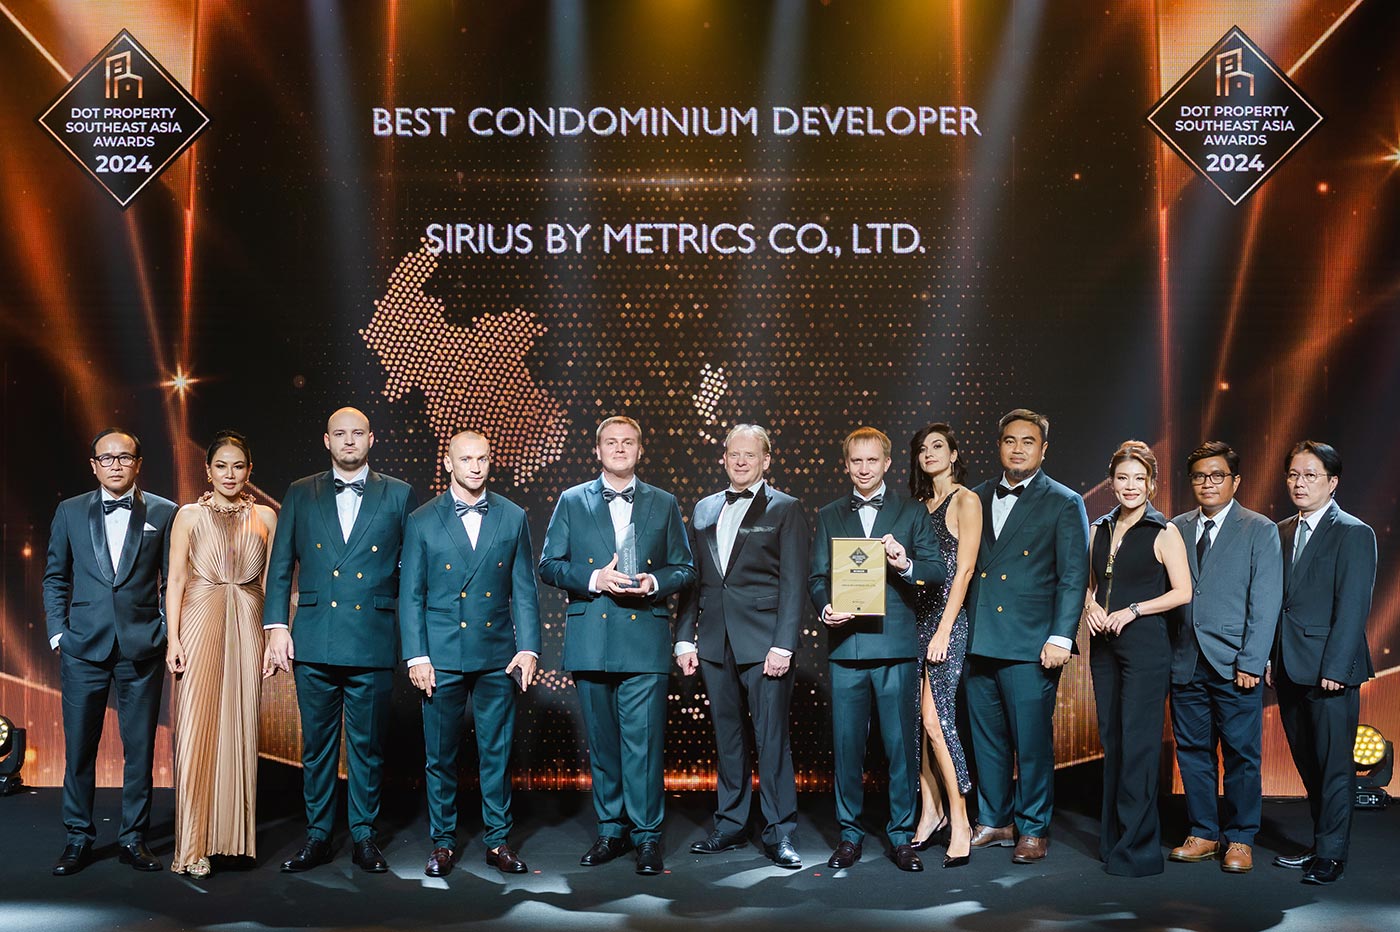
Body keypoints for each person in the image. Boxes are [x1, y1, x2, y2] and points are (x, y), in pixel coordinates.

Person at [262, 407, 418, 873]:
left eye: (357, 433)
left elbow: (413, 573)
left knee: (367, 747)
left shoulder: (399, 494)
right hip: (314, 637)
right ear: (326, 440)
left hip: (372, 636)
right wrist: (276, 627)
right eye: (339, 434)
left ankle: (364, 836)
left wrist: (414, 643)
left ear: (371, 439)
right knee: (317, 747)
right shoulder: (300, 491)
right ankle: (317, 836)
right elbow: (280, 566)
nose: (349, 441)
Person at [538, 416, 696, 876]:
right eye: (611, 442)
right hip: (592, 640)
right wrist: (594, 578)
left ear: (640, 450)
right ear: (598, 450)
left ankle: (647, 837)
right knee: (604, 745)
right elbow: (548, 565)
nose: (620, 448)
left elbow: (685, 569)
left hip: (644, 639)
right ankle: (611, 831)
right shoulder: (572, 500)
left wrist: (653, 582)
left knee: (643, 746)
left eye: (628, 442)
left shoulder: (664, 502)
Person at [399, 430, 541, 878]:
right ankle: (443, 843)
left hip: (497, 653)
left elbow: (524, 589)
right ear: (448, 463)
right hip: (440, 656)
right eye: (466, 459)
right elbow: (411, 595)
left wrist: (529, 648)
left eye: (482, 459)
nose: (476, 467)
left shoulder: (513, 515)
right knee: (440, 755)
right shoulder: (422, 519)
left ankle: (498, 841)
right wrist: (416, 655)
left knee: (496, 752)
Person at [809, 426, 946, 873]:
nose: (864, 468)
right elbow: (817, 577)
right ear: (846, 465)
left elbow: (935, 571)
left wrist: (904, 562)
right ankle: (849, 835)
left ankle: (901, 836)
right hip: (847, 647)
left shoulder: (911, 511)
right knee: (847, 747)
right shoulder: (829, 514)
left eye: (873, 460)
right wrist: (825, 606)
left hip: (895, 646)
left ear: (887, 463)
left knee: (900, 748)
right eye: (857, 461)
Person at [44, 429, 178, 876]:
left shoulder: (165, 511)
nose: (116, 465)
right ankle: (78, 838)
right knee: (79, 749)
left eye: (124, 457)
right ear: (94, 465)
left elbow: (173, 581)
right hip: (82, 647)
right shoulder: (69, 511)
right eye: (107, 458)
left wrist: (164, 630)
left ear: (138, 463)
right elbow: (55, 577)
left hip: (142, 647)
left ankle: (133, 838)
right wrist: (58, 634)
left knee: (139, 750)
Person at [676, 424, 810, 869]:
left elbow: (794, 582)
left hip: (764, 643)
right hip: (715, 642)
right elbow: (694, 580)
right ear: (723, 458)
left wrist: (784, 645)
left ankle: (779, 832)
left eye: (750, 455)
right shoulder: (704, 508)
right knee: (728, 738)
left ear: (766, 460)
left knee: (771, 740)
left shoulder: (785, 508)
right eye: (734, 454)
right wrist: (684, 636)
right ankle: (731, 824)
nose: (740, 461)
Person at [965, 408, 1089, 865]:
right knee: (987, 740)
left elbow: (1073, 576)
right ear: (999, 445)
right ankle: (995, 820)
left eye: (1028, 441)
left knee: (1032, 744)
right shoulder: (975, 496)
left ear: (1044, 449)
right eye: (1010, 441)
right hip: (978, 638)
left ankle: (1033, 826)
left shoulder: (1064, 501)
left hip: (1031, 643)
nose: (1018, 449)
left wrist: (1061, 637)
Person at [165, 431, 277, 877]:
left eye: (238, 466)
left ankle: (229, 840)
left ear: (250, 470)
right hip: (198, 621)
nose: (230, 474)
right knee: (197, 729)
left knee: (240, 726)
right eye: (221, 466)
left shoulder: (266, 516)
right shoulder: (188, 515)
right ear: (207, 470)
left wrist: (272, 638)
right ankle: (193, 846)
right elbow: (176, 580)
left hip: (248, 623)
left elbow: (271, 583)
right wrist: (173, 639)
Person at [1166, 441, 1282, 874]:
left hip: (1235, 664)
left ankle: (1241, 837)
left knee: (1241, 755)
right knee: (1192, 751)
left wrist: (1252, 661)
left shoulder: (1259, 529)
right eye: (1199, 476)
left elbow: (1265, 602)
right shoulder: (1175, 528)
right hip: (1185, 661)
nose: (1208, 483)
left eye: (1217, 475)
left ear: (1236, 481)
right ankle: (1203, 833)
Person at [1268, 441, 1376, 886]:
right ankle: (1319, 843)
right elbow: (1277, 603)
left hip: (1330, 670)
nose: (1299, 483)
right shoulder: (1281, 531)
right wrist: (1270, 657)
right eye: (1294, 474)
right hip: (1288, 665)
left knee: (1334, 766)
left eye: (1310, 475)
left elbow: (1353, 607)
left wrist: (1335, 668)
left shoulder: (1353, 532)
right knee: (1308, 763)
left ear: (1332, 482)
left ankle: (1332, 855)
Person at [1082, 441, 1191, 876]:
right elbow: (1087, 582)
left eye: (1139, 479)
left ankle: (1139, 849)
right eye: (1123, 478)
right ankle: (1113, 841)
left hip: (1145, 646)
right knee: (1113, 742)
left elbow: (1183, 592)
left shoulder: (1164, 531)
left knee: (1139, 746)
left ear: (1152, 484)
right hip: (1104, 647)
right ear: (1111, 482)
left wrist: (1134, 610)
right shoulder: (1099, 528)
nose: (1130, 486)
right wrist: (1089, 605)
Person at [907, 424, 981, 868]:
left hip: (945, 623)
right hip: (913, 621)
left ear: (953, 454)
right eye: (922, 449)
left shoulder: (965, 500)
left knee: (937, 722)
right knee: (917, 724)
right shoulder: (918, 507)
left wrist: (943, 629)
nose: (929, 453)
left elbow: (965, 570)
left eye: (938, 446)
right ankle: (930, 810)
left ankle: (961, 818)